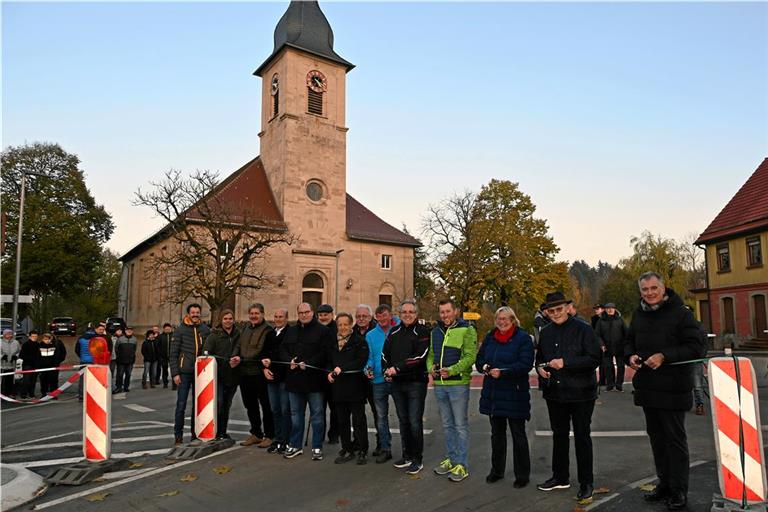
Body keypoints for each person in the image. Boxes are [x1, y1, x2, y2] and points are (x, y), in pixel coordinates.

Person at [626, 272, 705, 510]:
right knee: (657, 441)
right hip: (648, 388)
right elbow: (628, 341)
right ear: (640, 292)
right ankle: (664, 484)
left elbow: (696, 347)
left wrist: (665, 356)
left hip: (673, 388)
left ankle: (679, 490)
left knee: (675, 441)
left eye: (653, 288)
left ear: (664, 288)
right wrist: (629, 356)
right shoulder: (638, 314)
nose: (649, 293)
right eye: (645, 290)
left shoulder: (682, 314)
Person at [536, 291, 601, 501]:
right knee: (559, 436)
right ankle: (560, 477)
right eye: (551, 310)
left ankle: (586, 482)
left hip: (582, 393)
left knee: (582, 437)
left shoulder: (583, 329)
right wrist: (540, 369)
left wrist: (566, 363)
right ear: (547, 312)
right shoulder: (545, 332)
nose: (555, 313)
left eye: (559, 309)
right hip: (555, 393)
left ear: (567, 307)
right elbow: (540, 359)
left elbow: (594, 358)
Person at [475, 306, 534, 487]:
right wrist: (484, 367)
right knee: (497, 435)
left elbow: (525, 364)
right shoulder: (490, 337)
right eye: (499, 318)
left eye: (505, 318)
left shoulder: (523, 338)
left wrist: (503, 372)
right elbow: (479, 359)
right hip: (494, 393)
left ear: (513, 319)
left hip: (515, 393)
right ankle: (497, 470)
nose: (502, 321)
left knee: (518, 435)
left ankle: (522, 475)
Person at [428, 299, 478, 482]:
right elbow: (432, 355)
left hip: (458, 384)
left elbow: (470, 356)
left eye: (448, 311)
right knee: (447, 425)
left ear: (455, 311)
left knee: (460, 426)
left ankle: (462, 465)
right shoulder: (435, 331)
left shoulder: (467, 329)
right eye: (442, 312)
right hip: (440, 385)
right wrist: (430, 369)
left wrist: (452, 370)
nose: (445, 315)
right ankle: (451, 458)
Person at [280, 302, 334, 460]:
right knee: (296, 416)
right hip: (294, 381)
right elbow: (282, 349)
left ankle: (317, 446)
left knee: (317, 416)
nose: (304, 315)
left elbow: (326, 353)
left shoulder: (323, 331)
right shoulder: (291, 330)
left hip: (314, 382)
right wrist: (288, 360)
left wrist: (310, 363)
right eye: (301, 312)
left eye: (307, 312)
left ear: (312, 313)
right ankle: (295, 445)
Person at [382, 300, 430, 475]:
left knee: (414, 421)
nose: (408, 314)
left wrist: (398, 367)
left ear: (416, 314)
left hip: (415, 383)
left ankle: (417, 459)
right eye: (404, 312)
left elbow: (420, 357)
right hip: (397, 383)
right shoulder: (394, 331)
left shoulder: (422, 331)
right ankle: (407, 455)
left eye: (411, 311)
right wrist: (385, 369)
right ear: (399, 314)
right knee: (403, 421)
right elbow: (384, 353)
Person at [327, 313, 370, 464]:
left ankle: (362, 450)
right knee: (342, 420)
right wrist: (329, 372)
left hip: (355, 387)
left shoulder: (360, 341)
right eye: (340, 325)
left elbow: (361, 361)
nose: (343, 327)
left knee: (358, 420)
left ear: (351, 325)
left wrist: (342, 368)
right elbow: (328, 361)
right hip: (338, 388)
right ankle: (346, 448)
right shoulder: (332, 342)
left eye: (346, 324)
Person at [170, 303, 211, 445]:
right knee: (181, 404)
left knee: (197, 405)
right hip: (184, 373)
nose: (195, 314)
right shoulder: (180, 330)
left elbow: (209, 350)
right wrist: (175, 373)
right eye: (193, 312)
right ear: (188, 314)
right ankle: (178, 435)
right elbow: (173, 354)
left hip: (200, 373)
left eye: (197, 312)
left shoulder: (205, 329)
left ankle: (195, 433)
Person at [236, 303, 274, 448]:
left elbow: (263, 350)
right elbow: (239, 346)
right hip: (245, 373)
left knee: (266, 406)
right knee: (250, 405)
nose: (253, 316)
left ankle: (270, 435)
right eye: (251, 313)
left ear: (262, 314)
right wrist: (236, 356)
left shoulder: (268, 330)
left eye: (256, 313)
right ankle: (256, 433)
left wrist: (246, 358)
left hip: (259, 373)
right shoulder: (245, 328)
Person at [366, 304, 398, 463]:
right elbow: (369, 356)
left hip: (398, 379)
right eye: (379, 316)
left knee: (403, 415)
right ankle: (385, 448)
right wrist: (368, 368)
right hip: (378, 380)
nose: (382, 319)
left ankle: (409, 449)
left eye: (385, 315)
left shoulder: (399, 329)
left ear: (390, 315)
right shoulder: (371, 335)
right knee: (381, 416)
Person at [203, 309, 241, 440]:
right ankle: (216, 431)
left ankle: (223, 432)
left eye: (230, 318)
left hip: (233, 375)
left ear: (233, 320)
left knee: (227, 405)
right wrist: (222, 361)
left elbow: (241, 350)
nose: (228, 321)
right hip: (218, 375)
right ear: (221, 320)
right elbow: (206, 354)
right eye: (225, 319)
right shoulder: (214, 335)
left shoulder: (238, 334)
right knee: (219, 404)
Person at [261, 308, 291, 454]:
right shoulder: (270, 334)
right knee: (275, 410)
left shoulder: (290, 333)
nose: (278, 319)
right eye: (276, 316)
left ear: (286, 318)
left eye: (281, 317)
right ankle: (278, 439)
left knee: (285, 410)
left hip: (284, 377)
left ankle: (286, 440)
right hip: (271, 377)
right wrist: (264, 369)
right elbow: (263, 353)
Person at [354, 304, 380, 454]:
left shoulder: (376, 332)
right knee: (357, 414)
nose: (361, 319)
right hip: (357, 379)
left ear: (370, 317)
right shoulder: (352, 332)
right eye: (358, 316)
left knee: (378, 413)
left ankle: (381, 443)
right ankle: (358, 441)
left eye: (364, 316)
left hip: (373, 378)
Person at [317, 303, 339, 444]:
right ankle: (320, 434)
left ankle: (334, 434)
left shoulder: (337, 329)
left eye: (326, 314)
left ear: (331, 315)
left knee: (334, 407)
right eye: (321, 315)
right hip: (319, 374)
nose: (323, 317)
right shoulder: (317, 329)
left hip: (332, 373)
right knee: (319, 408)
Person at [595, 302, 627, 392]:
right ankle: (610, 385)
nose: (610, 310)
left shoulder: (620, 320)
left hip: (619, 347)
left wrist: (624, 344)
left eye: (612, 308)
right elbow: (597, 335)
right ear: (605, 310)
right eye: (608, 308)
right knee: (608, 366)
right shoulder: (601, 321)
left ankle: (619, 385)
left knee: (621, 366)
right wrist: (601, 344)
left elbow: (626, 333)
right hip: (607, 347)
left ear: (614, 309)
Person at [75, 324, 96, 401]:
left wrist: (82, 357)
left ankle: (81, 395)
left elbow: (76, 350)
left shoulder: (81, 338)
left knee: (82, 379)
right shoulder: (97, 338)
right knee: (93, 379)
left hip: (83, 361)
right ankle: (92, 394)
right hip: (94, 361)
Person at [114, 327, 138, 393]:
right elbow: (116, 348)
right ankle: (118, 387)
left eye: (130, 330)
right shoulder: (120, 339)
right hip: (121, 360)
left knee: (128, 374)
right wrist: (119, 356)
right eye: (128, 330)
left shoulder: (134, 339)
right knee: (120, 374)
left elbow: (135, 349)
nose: (129, 331)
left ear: (132, 331)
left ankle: (126, 387)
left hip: (130, 360)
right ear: (125, 331)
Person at [19, 330, 40, 399]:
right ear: (29, 337)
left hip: (36, 365)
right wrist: (31, 358)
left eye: (36, 336)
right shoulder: (26, 345)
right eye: (33, 336)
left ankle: (31, 394)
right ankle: (23, 394)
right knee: (26, 380)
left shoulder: (38, 345)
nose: (34, 337)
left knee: (33, 381)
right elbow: (21, 355)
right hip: (27, 365)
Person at [1, 329, 21, 397]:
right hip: (2, 365)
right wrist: (2, 356)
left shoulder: (16, 342)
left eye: (11, 334)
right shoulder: (0, 342)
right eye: (8, 334)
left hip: (11, 365)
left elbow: (19, 351)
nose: (10, 335)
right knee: (2, 380)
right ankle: (1, 393)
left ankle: (8, 393)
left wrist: (16, 356)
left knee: (10, 380)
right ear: (4, 335)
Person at [157, 323, 174, 389]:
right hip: (163, 357)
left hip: (172, 356)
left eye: (168, 329)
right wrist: (160, 355)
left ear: (170, 329)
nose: (167, 330)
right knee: (164, 370)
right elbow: (158, 347)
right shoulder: (160, 337)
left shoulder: (174, 336)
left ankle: (174, 384)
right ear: (164, 329)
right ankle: (165, 383)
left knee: (173, 370)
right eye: (166, 329)